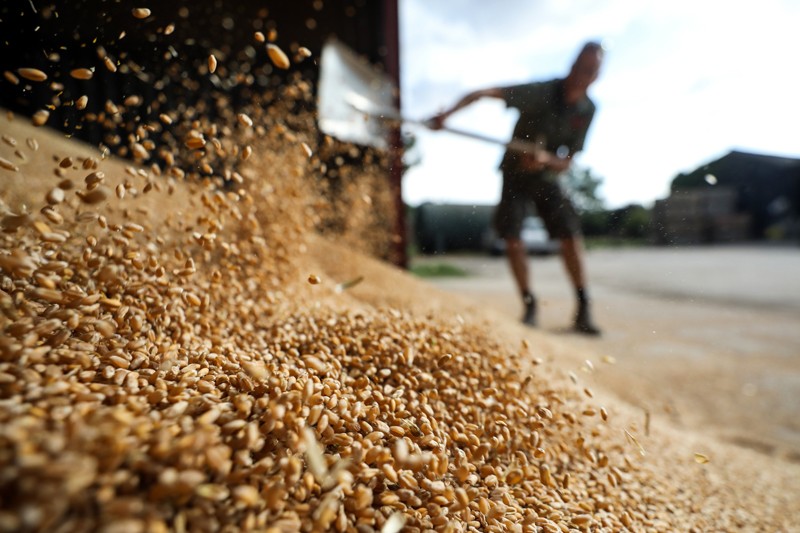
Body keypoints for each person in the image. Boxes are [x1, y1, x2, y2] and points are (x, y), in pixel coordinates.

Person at [429, 41, 604, 335]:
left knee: (570, 235)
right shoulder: (541, 92)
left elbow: (569, 162)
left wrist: (545, 160)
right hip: (515, 174)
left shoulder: (586, 110)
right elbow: (482, 94)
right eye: (578, 67)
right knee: (512, 237)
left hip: (547, 177)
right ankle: (529, 303)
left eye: (589, 70)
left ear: (596, 75)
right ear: (571, 65)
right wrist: (447, 116)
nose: (581, 75)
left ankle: (583, 307)